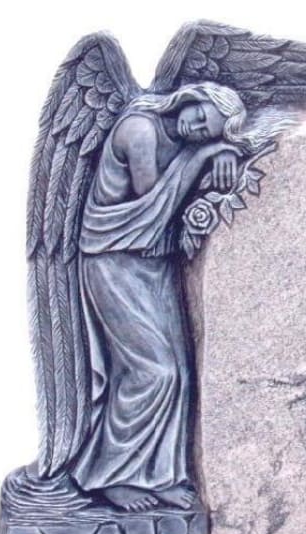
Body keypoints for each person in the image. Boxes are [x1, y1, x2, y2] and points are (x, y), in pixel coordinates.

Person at [69, 83, 246, 512]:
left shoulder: (182, 141)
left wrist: (220, 151)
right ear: (192, 97)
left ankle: (159, 474)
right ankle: (112, 475)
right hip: (113, 259)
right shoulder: (140, 128)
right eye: (201, 114)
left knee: (179, 373)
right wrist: (208, 153)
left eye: (207, 131)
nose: (197, 127)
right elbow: (152, 207)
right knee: (152, 371)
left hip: (152, 261)